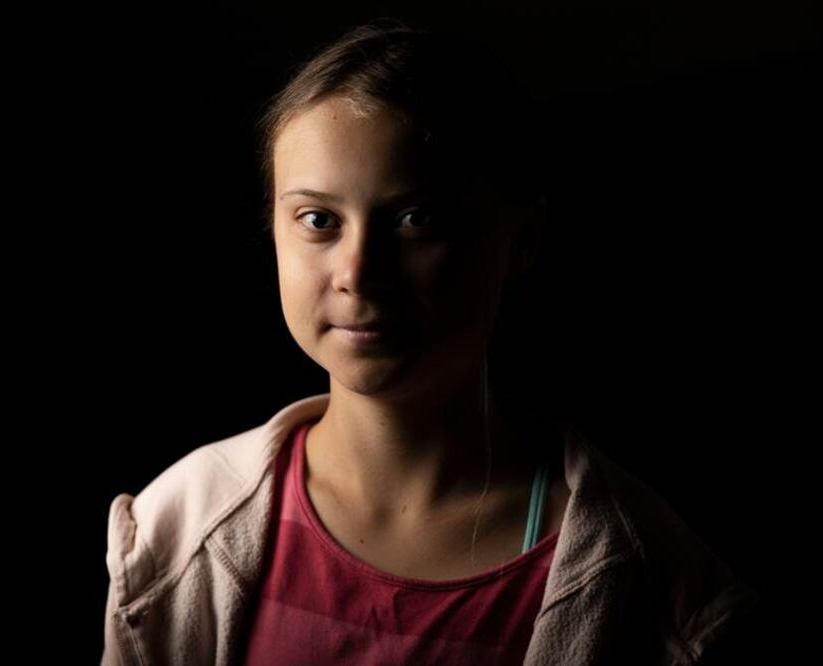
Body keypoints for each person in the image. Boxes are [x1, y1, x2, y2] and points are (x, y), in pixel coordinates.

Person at [100, 18, 760, 665]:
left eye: (415, 219)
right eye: (318, 220)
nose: (358, 272)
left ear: (518, 242)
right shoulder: (178, 526)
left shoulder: (650, 585)